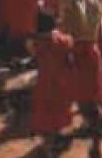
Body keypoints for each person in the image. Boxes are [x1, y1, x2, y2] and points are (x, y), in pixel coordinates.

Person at [61, 0, 102, 158]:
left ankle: (94, 134)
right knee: (92, 95)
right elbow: (100, 28)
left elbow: (67, 33)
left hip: (77, 51)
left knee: (81, 96)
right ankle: (95, 138)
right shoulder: (94, 3)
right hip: (93, 49)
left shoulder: (71, 5)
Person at [27, 13, 74, 156]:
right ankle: (56, 137)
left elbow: (32, 52)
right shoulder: (63, 40)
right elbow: (69, 56)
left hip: (44, 82)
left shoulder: (37, 43)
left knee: (45, 113)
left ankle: (48, 146)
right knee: (59, 109)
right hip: (61, 81)